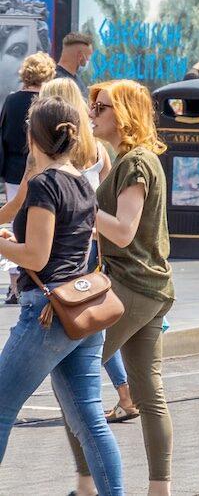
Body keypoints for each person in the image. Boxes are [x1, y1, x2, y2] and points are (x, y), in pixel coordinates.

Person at [0, 98, 125, 495]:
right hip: (83, 310)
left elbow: (36, 255)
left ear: (33, 137)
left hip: (48, 313)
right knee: (90, 420)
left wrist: (3, 244)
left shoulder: (44, 185)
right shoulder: (81, 183)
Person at [66, 80, 174, 496]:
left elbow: (124, 232)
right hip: (152, 287)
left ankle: (86, 486)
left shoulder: (136, 163)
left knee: (73, 379)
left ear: (125, 114)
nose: (93, 113)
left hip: (130, 286)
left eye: (101, 106)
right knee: (149, 394)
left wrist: (83, 207)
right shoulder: (132, 159)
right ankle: (159, 490)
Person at [0, 52, 50, 305]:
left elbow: (4, 135)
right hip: (41, 169)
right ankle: (34, 277)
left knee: (13, 225)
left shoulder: (11, 101)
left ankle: (13, 285)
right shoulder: (49, 102)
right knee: (39, 223)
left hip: (14, 170)